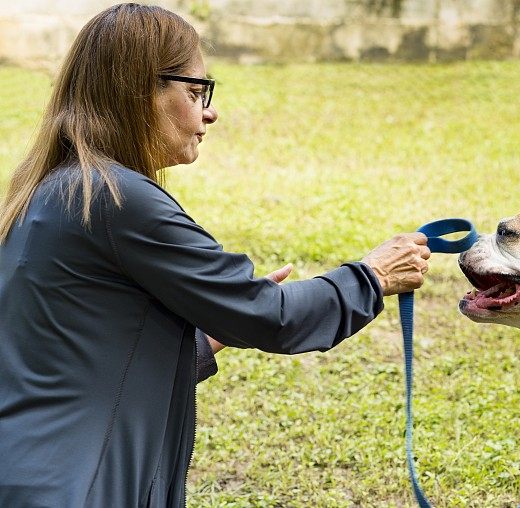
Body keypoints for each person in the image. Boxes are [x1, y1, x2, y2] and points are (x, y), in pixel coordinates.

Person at [0, 4, 430, 507]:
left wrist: (214, 331)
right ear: (141, 91)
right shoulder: (119, 200)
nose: (209, 111)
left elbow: (77, 352)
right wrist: (373, 276)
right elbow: (273, 318)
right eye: (196, 90)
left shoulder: (49, 192)